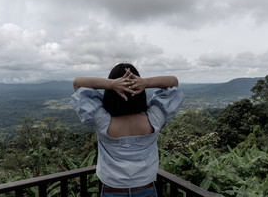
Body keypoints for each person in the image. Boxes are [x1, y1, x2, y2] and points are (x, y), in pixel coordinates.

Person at [71, 63, 184, 197]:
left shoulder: (102, 121)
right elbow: (173, 82)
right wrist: (145, 82)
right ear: (140, 91)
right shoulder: (154, 119)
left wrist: (111, 84)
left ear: (110, 94)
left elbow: (78, 83)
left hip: (112, 190)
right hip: (146, 189)